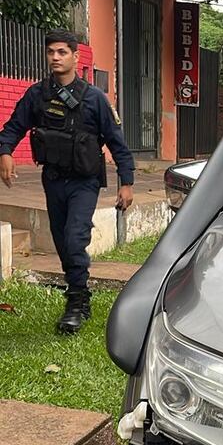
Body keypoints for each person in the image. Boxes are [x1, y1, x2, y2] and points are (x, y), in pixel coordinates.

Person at [0, 29, 135, 334]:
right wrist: (5, 152)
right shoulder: (37, 95)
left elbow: (117, 143)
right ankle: (80, 291)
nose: (56, 58)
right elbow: (12, 129)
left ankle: (75, 303)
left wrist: (125, 182)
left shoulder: (95, 99)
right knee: (62, 242)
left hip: (84, 182)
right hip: (53, 179)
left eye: (62, 52)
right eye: (51, 52)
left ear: (75, 56)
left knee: (74, 238)